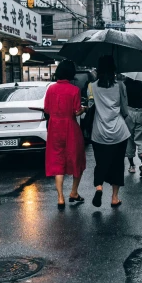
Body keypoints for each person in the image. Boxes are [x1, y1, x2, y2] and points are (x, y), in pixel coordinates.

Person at [44, 60, 86, 210]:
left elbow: (47, 110)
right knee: (76, 159)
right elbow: (76, 111)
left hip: (54, 127)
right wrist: (84, 109)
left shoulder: (50, 89)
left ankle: (60, 197)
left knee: (57, 161)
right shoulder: (74, 90)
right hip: (70, 127)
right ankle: (74, 192)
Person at [91, 56, 130, 208]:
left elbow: (92, 104)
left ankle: (99, 187)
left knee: (101, 162)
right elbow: (125, 111)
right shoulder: (120, 86)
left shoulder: (92, 86)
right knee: (118, 164)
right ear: (113, 70)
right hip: (119, 132)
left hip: (99, 132)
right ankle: (114, 198)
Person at [124, 76, 142, 177]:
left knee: (129, 139)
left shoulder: (125, 84)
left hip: (128, 112)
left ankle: (131, 166)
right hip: (140, 112)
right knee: (141, 139)